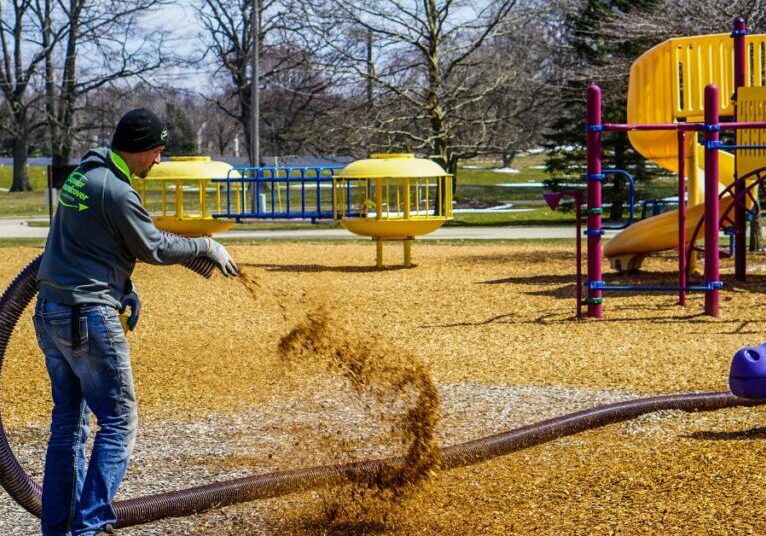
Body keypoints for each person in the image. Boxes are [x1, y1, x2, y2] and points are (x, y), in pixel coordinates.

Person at [33, 108, 238, 536]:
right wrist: (205, 245)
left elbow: (85, 244)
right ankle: (88, 527)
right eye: (157, 152)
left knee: (67, 425)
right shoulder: (117, 191)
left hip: (52, 311)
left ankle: (58, 529)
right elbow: (153, 246)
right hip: (87, 316)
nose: (159, 161)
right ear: (140, 149)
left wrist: (122, 288)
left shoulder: (83, 175)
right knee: (119, 421)